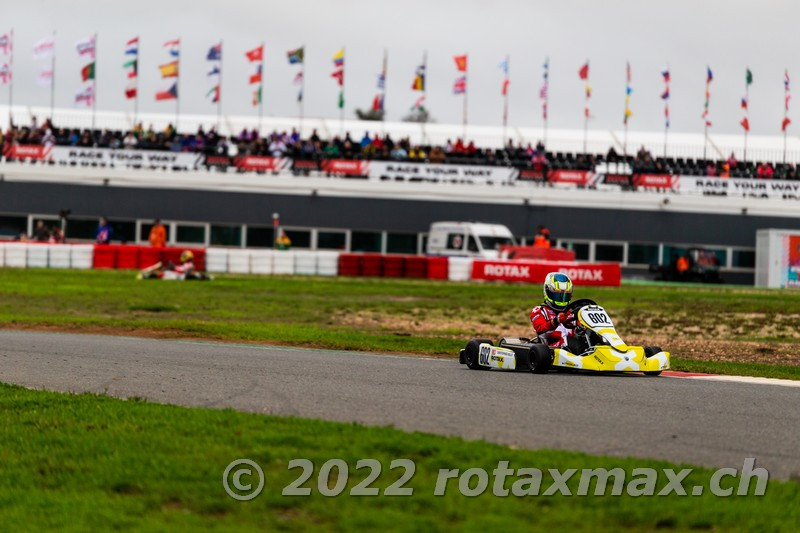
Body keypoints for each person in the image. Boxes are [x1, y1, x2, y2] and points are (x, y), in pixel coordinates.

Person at [529, 272, 577, 348]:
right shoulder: (539, 311)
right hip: (552, 350)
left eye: (565, 295)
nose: (562, 300)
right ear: (547, 292)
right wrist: (556, 321)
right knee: (571, 344)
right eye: (557, 295)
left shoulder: (572, 312)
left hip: (575, 349)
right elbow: (541, 332)